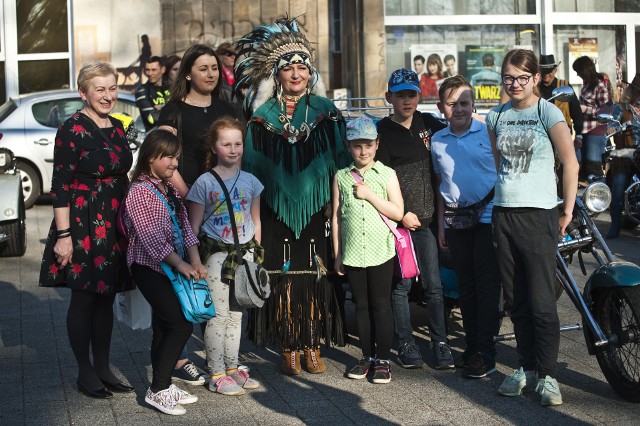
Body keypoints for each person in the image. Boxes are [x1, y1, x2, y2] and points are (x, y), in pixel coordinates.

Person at [234, 17, 348, 375]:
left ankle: (312, 345)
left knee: (316, 276)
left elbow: (340, 161)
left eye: (302, 67)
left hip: (318, 208)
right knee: (283, 276)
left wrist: (336, 202)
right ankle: (288, 347)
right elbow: (252, 172)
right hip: (274, 210)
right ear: (277, 75)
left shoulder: (325, 112)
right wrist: (254, 221)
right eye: (289, 69)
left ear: (310, 72)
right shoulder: (262, 117)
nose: (296, 74)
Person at [486, 49, 579, 406]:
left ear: (536, 78)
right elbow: (501, 165)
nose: (514, 84)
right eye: (508, 78)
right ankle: (524, 368)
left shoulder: (547, 111)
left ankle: (548, 375)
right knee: (516, 300)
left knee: (542, 300)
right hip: (504, 214)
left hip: (539, 215)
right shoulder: (496, 116)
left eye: (522, 78)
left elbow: (569, 163)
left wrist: (566, 209)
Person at [39, 61, 134, 399]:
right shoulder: (71, 129)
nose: (108, 96)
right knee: (83, 297)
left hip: (113, 221)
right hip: (81, 221)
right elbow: (59, 185)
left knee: (106, 297)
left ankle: (104, 366)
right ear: (83, 92)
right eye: (100, 89)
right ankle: (85, 371)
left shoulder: (118, 126)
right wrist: (63, 238)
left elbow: (123, 172)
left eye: (112, 88)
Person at [157, 43, 238, 384]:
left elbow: (237, 154)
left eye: (214, 68)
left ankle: (219, 357)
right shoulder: (172, 111)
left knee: (215, 283)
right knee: (182, 281)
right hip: (182, 203)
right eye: (203, 68)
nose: (210, 73)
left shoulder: (227, 107)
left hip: (221, 209)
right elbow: (162, 156)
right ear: (188, 72)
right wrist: (191, 196)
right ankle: (177, 359)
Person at [123, 129, 206, 415]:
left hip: (173, 266)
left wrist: (195, 260)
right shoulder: (138, 192)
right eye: (168, 157)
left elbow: (186, 227)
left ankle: (164, 385)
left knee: (163, 325)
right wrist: (182, 265)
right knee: (180, 324)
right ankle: (157, 390)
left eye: (177, 158)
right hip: (150, 267)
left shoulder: (167, 189)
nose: (174, 163)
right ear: (149, 158)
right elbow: (150, 240)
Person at [376, 68, 454, 370]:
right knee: (402, 286)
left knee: (434, 285)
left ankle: (441, 341)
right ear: (389, 98)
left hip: (428, 222)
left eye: (411, 94)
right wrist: (399, 216)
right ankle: (406, 342)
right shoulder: (381, 133)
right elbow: (377, 181)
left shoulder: (430, 125)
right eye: (400, 95)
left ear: (419, 97)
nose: (406, 100)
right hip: (398, 225)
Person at [186, 117, 264, 395]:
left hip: (245, 256)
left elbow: (255, 223)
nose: (233, 150)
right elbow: (192, 227)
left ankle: (233, 366)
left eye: (238, 144)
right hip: (217, 257)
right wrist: (195, 260)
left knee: (237, 313)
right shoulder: (204, 183)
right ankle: (216, 372)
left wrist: (256, 256)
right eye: (226, 144)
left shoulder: (252, 181)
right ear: (214, 147)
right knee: (217, 316)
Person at [430, 75, 501, 379]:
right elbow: (441, 184)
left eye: (464, 103)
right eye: (452, 103)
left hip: (488, 219)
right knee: (466, 289)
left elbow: (503, 173)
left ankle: (486, 353)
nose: (458, 109)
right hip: (456, 220)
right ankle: (472, 347)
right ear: (440, 107)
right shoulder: (438, 141)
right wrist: (442, 224)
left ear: (473, 104)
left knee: (487, 288)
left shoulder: (488, 132)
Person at [331, 116, 404, 384]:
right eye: (357, 146)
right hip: (352, 251)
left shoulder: (386, 174)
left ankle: (383, 359)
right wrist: (338, 253)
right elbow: (337, 217)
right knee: (361, 306)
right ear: (348, 147)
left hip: (380, 250)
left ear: (377, 145)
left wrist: (371, 195)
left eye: (368, 145)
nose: (363, 151)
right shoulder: (340, 177)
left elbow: (398, 212)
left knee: (380, 306)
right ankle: (367, 356)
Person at [605, 74, 640, 238]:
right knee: (618, 186)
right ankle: (615, 224)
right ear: (632, 91)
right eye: (637, 90)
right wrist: (612, 127)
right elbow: (612, 122)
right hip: (626, 154)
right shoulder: (623, 107)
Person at [572, 55, 611, 179]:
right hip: (585, 132)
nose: (578, 75)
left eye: (578, 72)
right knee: (584, 169)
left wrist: (585, 109)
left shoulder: (599, 86)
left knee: (593, 169)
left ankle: (600, 195)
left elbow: (608, 111)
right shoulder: (587, 85)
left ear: (585, 70)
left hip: (596, 132)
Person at [135, 56, 171, 131]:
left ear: (163, 69)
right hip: (154, 137)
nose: (150, 73)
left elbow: (181, 113)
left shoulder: (172, 88)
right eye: (147, 70)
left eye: (154, 70)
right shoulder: (142, 90)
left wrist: (161, 106)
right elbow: (152, 118)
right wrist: (170, 107)